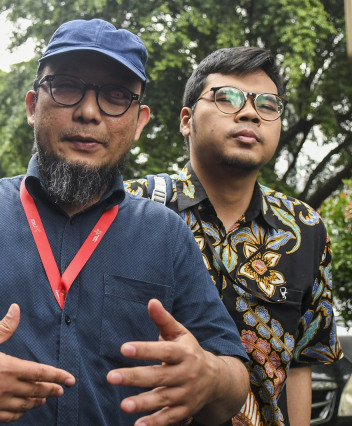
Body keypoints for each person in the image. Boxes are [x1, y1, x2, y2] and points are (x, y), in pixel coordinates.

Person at [0, 19, 250, 425]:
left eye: (116, 96)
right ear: (34, 106)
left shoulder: (167, 237)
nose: (89, 112)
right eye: (68, 86)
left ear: (139, 121)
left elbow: (233, 380)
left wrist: (210, 377)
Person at [125, 46, 343, 425]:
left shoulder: (305, 227)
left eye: (268, 105)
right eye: (227, 97)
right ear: (186, 120)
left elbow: (303, 361)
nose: (250, 113)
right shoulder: (131, 207)